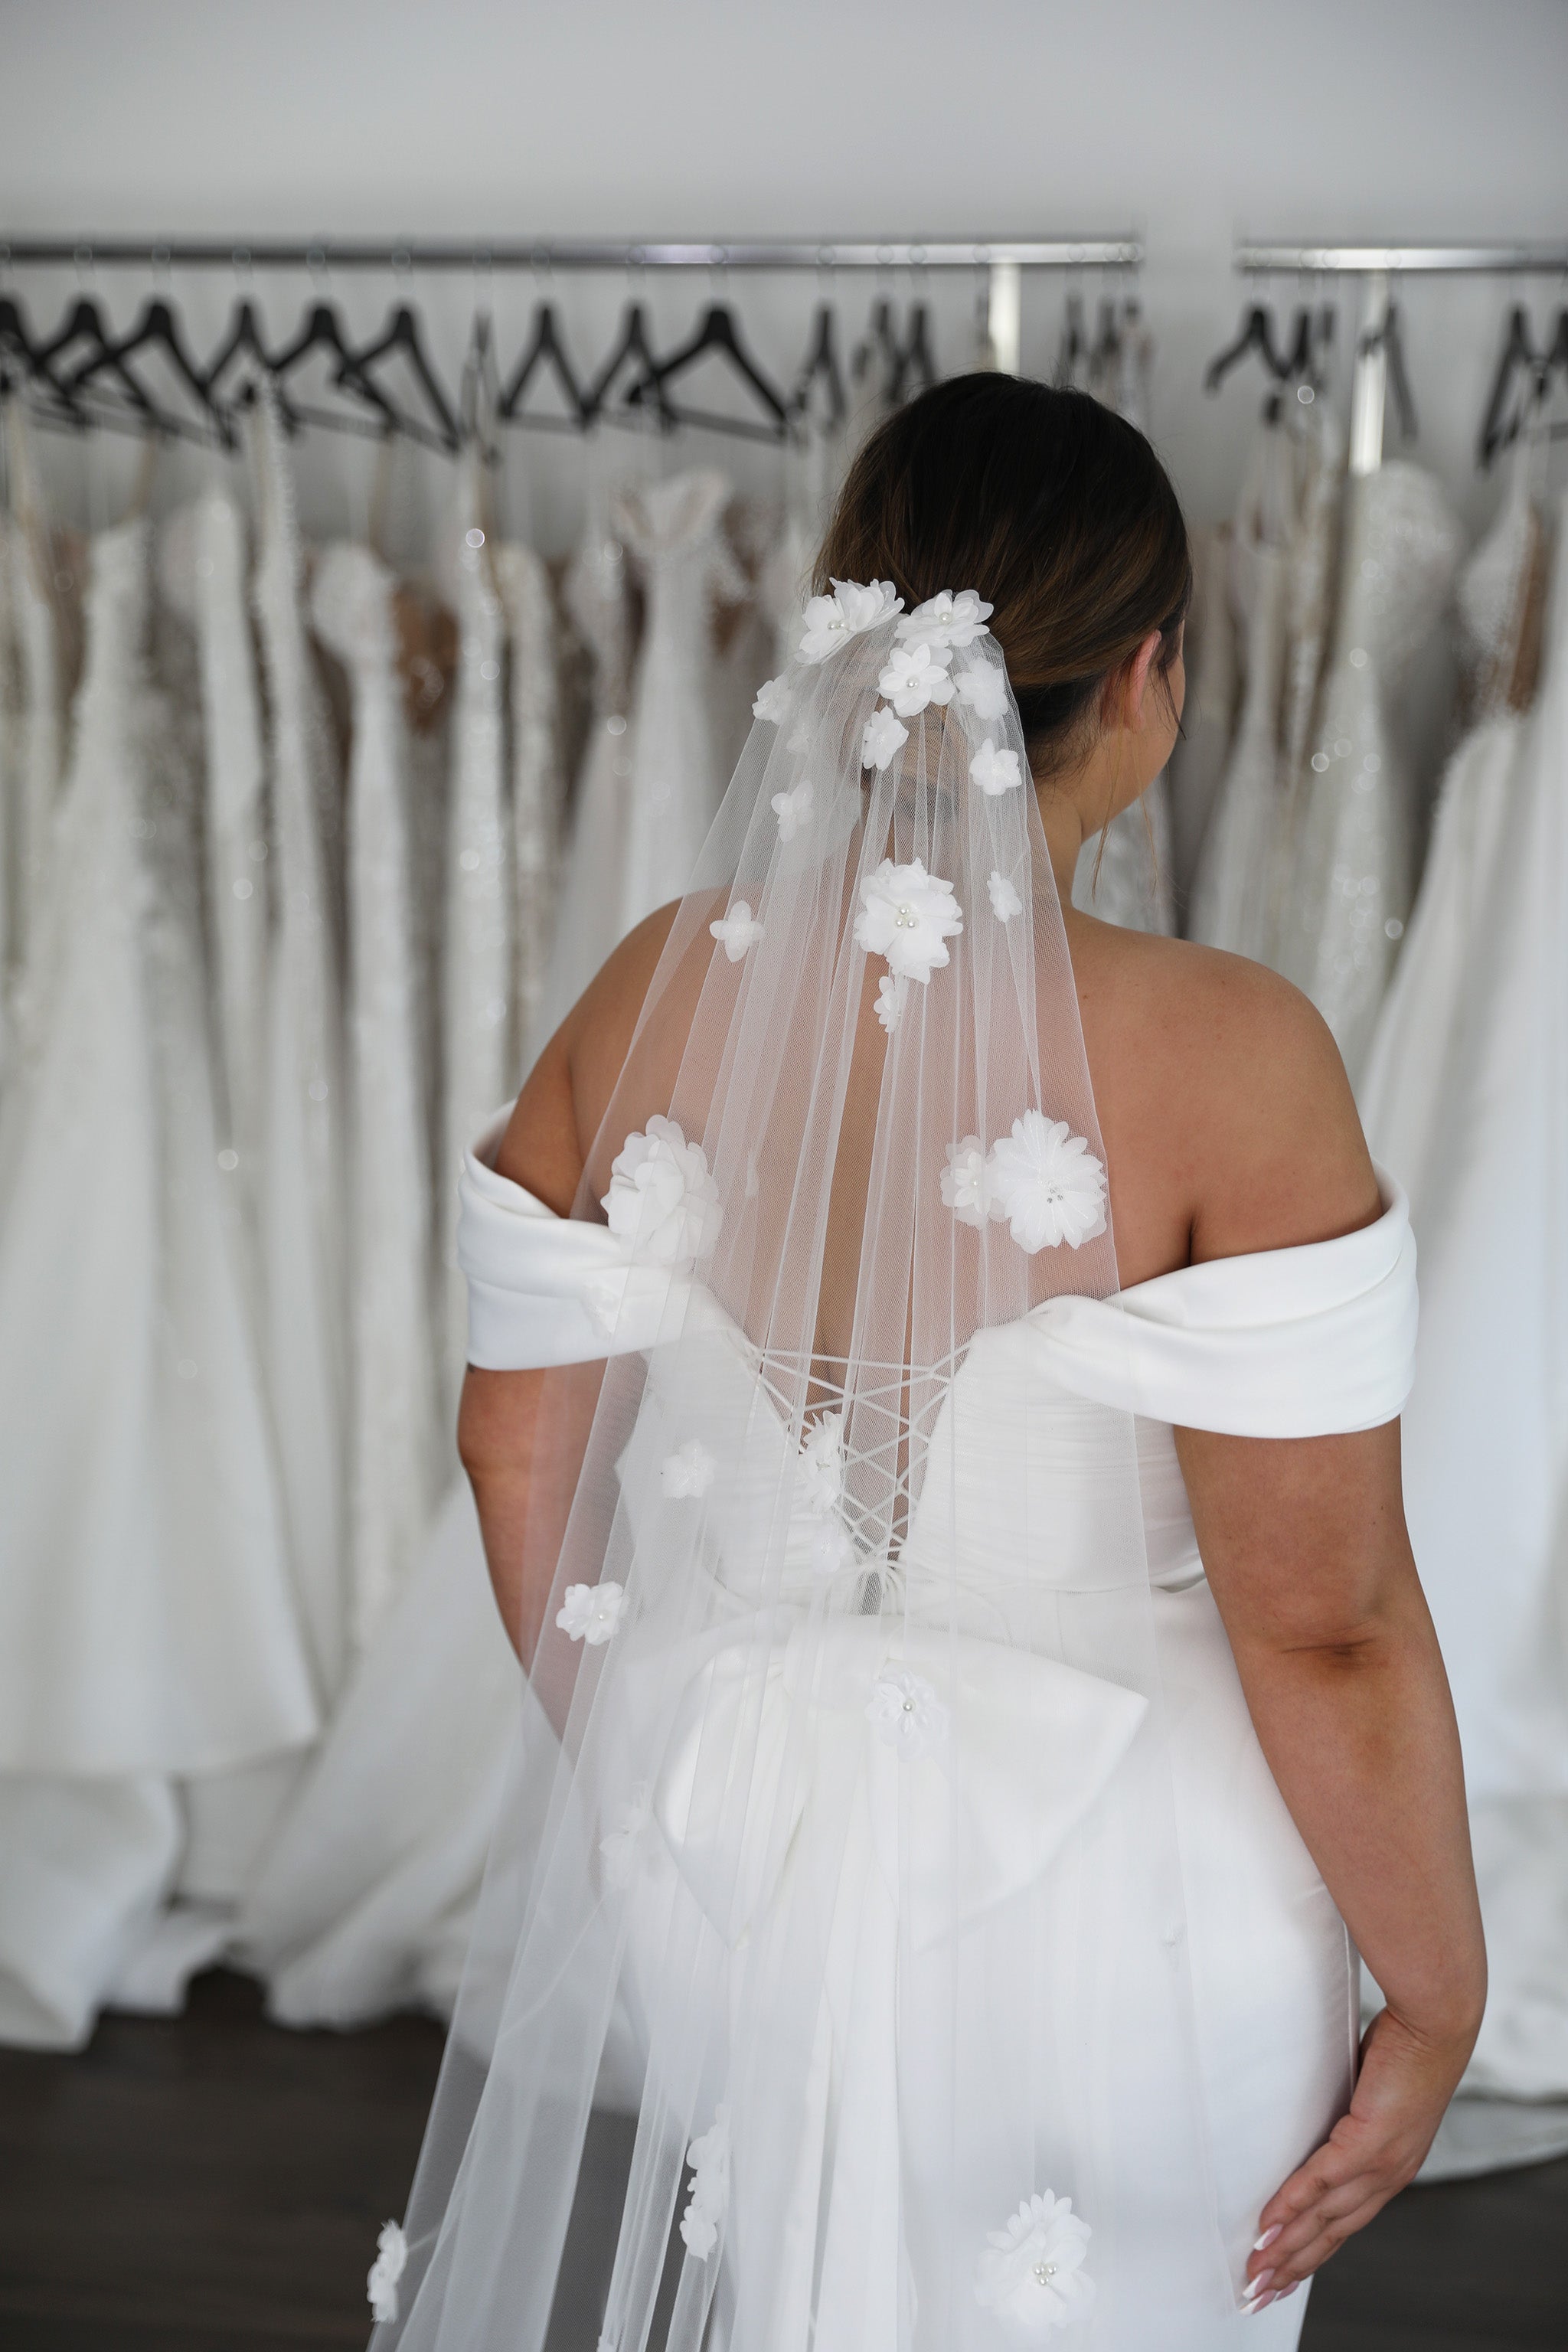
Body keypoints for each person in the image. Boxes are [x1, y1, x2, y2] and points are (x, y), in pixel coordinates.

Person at [380, 377, 1484, 2351]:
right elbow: (1325, 1622)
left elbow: (515, 1463)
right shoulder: (1234, 1052)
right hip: (1146, 1901)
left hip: (750, 1863)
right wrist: (1441, 1992)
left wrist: (655, 1780)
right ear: (1146, 676)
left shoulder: (652, 988)